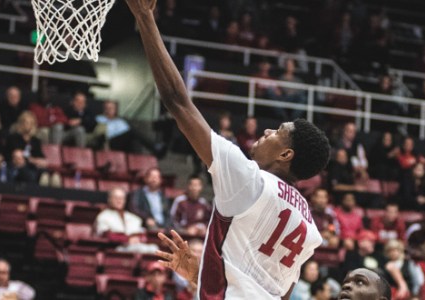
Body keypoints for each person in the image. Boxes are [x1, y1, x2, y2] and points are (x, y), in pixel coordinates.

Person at [128, 0, 331, 297]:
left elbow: (177, 101)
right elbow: (276, 293)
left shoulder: (250, 179)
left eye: (278, 132)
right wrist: (201, 274)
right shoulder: (309, 226)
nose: (267, 131)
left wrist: (144, 17)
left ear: (286, 155)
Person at [94, 188, 157, 253]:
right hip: (114, 248)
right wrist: (127, 239)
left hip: (135, 246)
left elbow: (142, 235)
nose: (119, 200)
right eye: (116, 198)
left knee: (155, 248)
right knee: (139, 249)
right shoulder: (103, 216)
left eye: (121, 198)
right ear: (109, 199)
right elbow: (106, 235)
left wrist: (138, 238)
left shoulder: (134, 218)